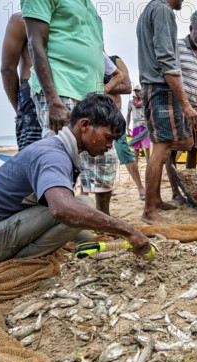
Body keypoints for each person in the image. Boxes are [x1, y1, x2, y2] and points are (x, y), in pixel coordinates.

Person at [0, 94, 151, 268]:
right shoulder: (53, 155)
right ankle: (17, 263)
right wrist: (127, 230)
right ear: (85, 125)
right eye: (107, 138)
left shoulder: (61, 148)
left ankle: (15, 254)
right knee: (80, 204)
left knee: (86, 237)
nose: (109, 146)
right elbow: (62, 209)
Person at [22, 0, 124, 215]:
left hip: (91, 97)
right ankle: (56, 224)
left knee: (105, 159)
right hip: (62, 89)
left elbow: (97, 52)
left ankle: (103, 219)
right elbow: (35, 43)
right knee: (60, 160)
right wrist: (53, 100)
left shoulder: (89, 7)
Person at [136, 0, 197, 224]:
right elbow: (166, 60)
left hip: (153, 86)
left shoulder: (150, 10)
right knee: (163, 149)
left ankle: (157, 200)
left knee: (160, 146)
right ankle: (149, 210)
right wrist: (186, 104)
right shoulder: (163, 11)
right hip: (161, 88)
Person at [165, 8, 197, 204]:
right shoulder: (177, 46)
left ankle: (190, 189)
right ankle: (176, 192)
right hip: (178, 105)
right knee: (172, 150)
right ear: (191, 28)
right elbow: (168, 72)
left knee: (194, 147)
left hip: (195, 107)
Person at [103, 55, 147, 205]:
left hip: (113, 113)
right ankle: (86, 191)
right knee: (90, 154)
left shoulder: (114, 60)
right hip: (94, 114)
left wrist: (102, 89)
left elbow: (127, 87)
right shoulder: (88, 59)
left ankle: (140, 188)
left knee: (124, 151)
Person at [1, 12, 42, 151]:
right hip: (33, 92)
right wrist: (19, 108)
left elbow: (7, 70)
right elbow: (7, 70)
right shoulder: (22, 20)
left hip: (31, 96)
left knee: (34, 158)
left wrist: (19, 108)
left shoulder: (22, 19)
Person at [127, 85, 150, 190]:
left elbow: (141, 105)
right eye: (136, 91)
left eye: (139, 91)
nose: (137, 93)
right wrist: (127, 126)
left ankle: (149, 166)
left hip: (145, 125)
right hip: (136, 125)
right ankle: (136, 168)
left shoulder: (145, 100)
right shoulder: (131, 102)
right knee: (136, 148)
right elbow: (128, 114)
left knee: (147, 147)